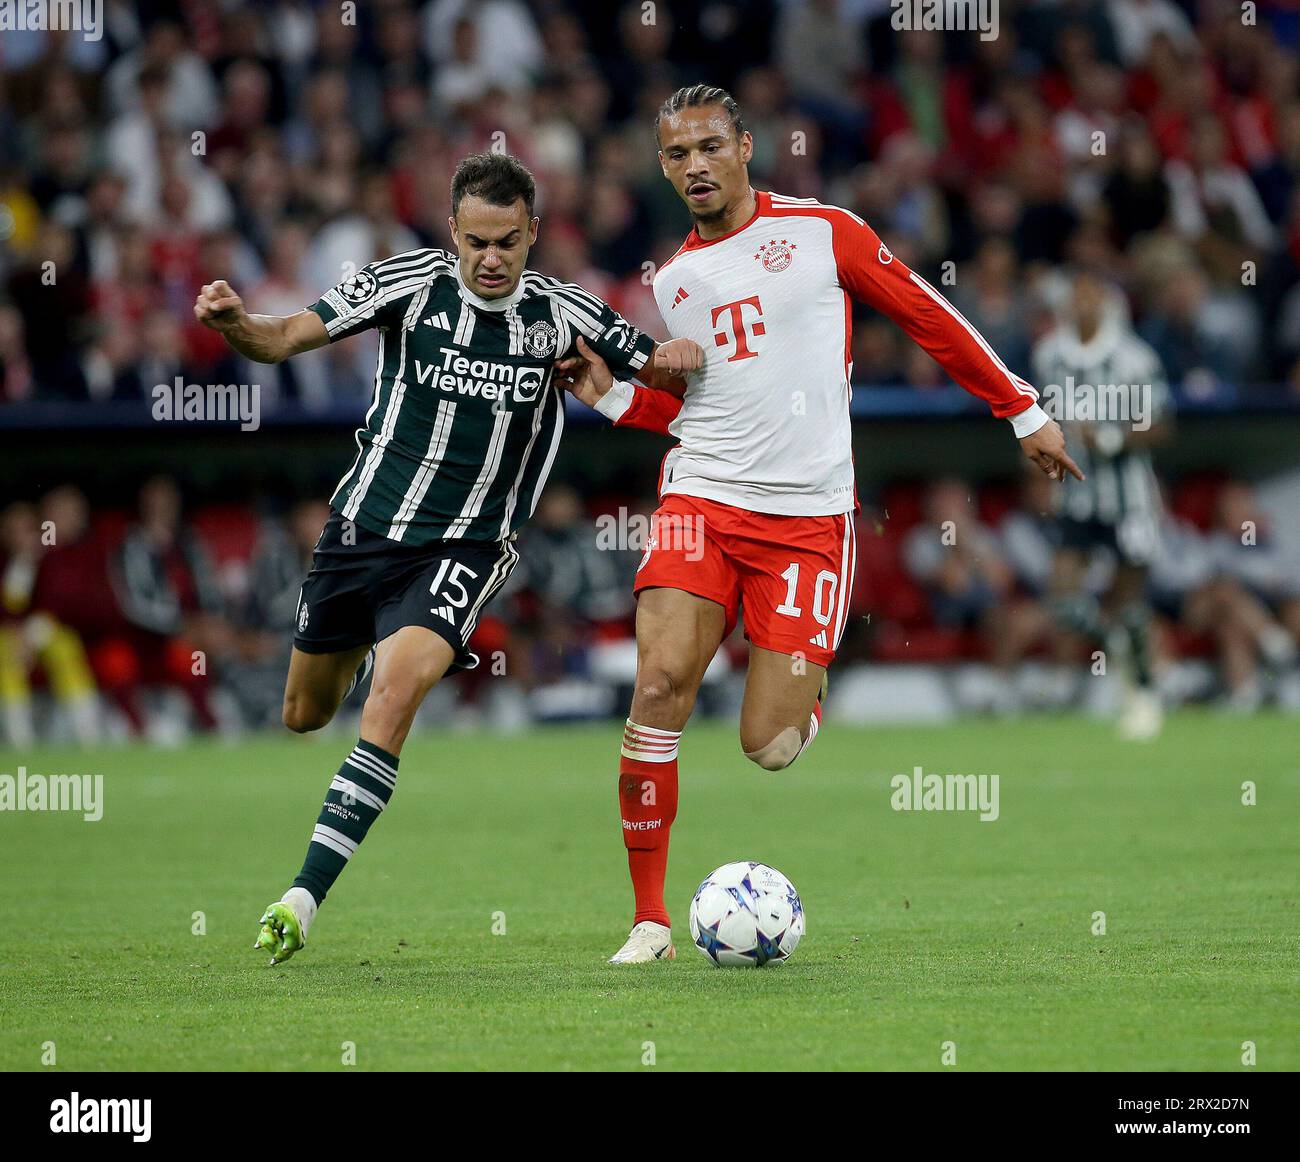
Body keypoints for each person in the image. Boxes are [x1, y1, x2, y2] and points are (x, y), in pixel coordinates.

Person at [554, 84, 1080, 964]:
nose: (695, 166)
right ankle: (649, 920)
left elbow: (925, 313)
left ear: (747, 146)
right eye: (677, 154)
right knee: (658, 686)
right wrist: (610, 395)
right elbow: (688, 412)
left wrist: (1020, 408)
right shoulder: (674, 280)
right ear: (662, 167)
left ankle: (805, 702)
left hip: (806, 518)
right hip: (701, 500)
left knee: (769, 745)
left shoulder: (821, 231)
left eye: (710, 147)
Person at [194, 152, 702, 964]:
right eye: (476, 242)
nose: (491, 258)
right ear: (452, 234)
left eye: (507, 241)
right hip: (361, 533)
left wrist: (685, 358)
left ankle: (301, 897)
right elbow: (284, 336)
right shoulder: (407, 285)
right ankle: (373, 636)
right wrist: (233, 325)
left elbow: (669, 374)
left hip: (466, 546)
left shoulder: (565, 311)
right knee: (304, 712)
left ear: (533, 233)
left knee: (394, 697)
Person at [1032, 268, 1172, 739]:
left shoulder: (1135, 358)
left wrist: (1111, 438)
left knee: (1129, 599)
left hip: (1130, 500)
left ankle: (1145, 693)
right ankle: (1112, 648)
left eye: (1093, 295)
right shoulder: (1049, 354)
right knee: (1064, 598)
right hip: (1076, 496)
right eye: (1077, 296)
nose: (1084, 305)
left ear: (1108, 301)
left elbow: (1163, 424)